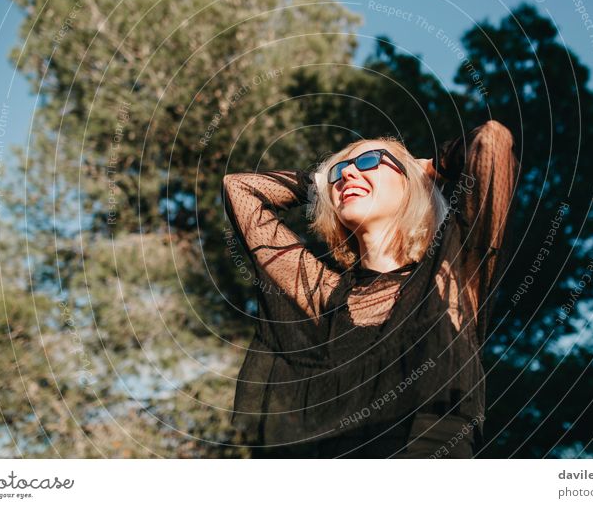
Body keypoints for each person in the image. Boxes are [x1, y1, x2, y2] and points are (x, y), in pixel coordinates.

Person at [222, 119, 519, 458]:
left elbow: (493, 141)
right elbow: (239, 188)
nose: (347, 174)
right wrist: (321, 183)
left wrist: (433, 167)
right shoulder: (324, 292)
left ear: (412, 183)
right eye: (340, 171)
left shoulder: (453, 274)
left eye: (368, 162)